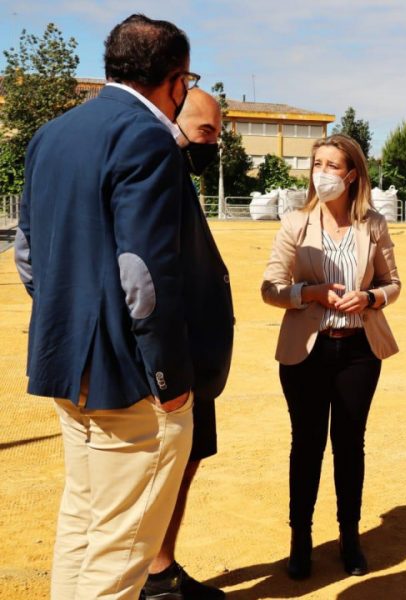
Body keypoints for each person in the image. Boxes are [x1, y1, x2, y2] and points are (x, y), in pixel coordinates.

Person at [14, 14, 202, 599]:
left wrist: (67, 322)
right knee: (120, 550)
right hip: (130, 381)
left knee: (84, 521)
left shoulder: (52, 134)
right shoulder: (148, 138)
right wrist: (167, 375)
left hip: (65, 362)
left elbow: (27, 253)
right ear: (174, 81)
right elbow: (141, 275)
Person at [261, 134, 400, 580]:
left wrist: (372, 298)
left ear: (352, 174)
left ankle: (350, 539)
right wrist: (310, 293)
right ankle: (300, 540)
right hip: (307, 352)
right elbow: (270, 289)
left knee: (349, 445)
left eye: (332, 165)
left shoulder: (373, 225)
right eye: (317, 163)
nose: (321, 172)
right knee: (306, 446)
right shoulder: (294, 224)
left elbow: (393, 282)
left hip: (359, 351)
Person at [142, 88, 235, 600]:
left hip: (193, 360)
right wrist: (165, 369)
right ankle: (150, 580)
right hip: (170, 363)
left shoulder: (177, 174)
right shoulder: (154, 172)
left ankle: (162, 570)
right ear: (175, 122)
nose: (212, 144)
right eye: (206, 132)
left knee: (184, 465)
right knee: (159, 470)